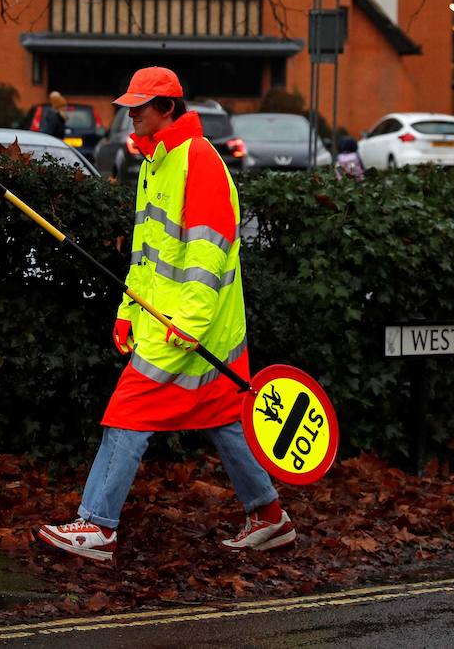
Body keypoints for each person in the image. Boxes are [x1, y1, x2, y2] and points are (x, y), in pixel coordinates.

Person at [35, 66, 294, 563]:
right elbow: (147, 252)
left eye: (140, 107)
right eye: (129, 106)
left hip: (189, 329)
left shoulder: (197, 159)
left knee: (126, 415)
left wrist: (190, 326)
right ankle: (269, 518)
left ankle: (97, 525)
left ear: (168, 109)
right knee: (225, 418)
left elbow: (209, 249)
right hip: (183, 326)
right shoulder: (157, 161)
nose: (130, 115)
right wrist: (128, 310)